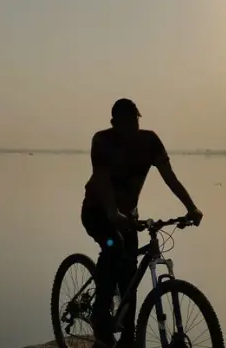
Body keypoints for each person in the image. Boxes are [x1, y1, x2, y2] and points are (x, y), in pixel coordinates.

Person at [81, 98, 203, 347]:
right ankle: (100, 318)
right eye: (126, 123)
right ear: (114, 123)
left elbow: (170, 177)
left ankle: (127, 339)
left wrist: (191, 207)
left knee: (130, 276)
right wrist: (113, 213)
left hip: (129, 217)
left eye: (135, 121)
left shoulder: (150, 142)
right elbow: (102, 179)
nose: (132, 127)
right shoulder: (102, 141)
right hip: (97, 212)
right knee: (115, 247)